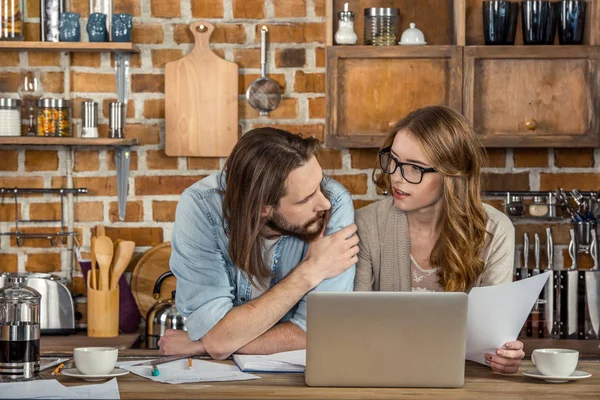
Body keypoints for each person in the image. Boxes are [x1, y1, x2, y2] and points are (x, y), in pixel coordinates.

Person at [159, 127, 358, 360]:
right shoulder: (201, 207)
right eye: (306, 199)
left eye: (320, 185)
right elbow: (219, 338)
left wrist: (206, 344)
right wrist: (309, 271)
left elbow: (313, 334)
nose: (324, 203)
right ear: (263, 208)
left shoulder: (335, 204)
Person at [354, 105, 524, 374]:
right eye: (393, 160)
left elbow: (492, 339)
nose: (396, 177)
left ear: (452, 175)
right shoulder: (366, 224)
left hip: (462, 381)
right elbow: (353, 325)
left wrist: (503, 355)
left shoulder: (495, 230)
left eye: (414, 168)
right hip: (381, 374)